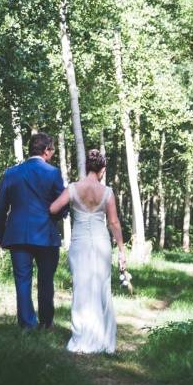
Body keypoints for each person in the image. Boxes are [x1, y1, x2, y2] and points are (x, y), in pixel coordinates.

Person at [50, 148, 126, 353]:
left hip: (80, 242)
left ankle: (82, 337)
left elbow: (53, 208)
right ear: (102, 169)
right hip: (101, 243)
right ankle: (101, 337)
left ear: (85, 168)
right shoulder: (107, 192)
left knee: (81, 287)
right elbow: (114, 222)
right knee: (101, 287)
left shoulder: (74, 188)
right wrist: (121, 250)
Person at [0, 132, 67, 332]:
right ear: (46, 150)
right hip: (46, 235)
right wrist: (61, 215)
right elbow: (61, 205)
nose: (52, 154)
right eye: (51, 150)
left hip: (17, 236)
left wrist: (1, 235)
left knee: (22, 281)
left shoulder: (11, 173)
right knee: (46, 280)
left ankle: (27, 326)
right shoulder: (53, 173)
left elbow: (0, 208)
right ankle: (45, 322)